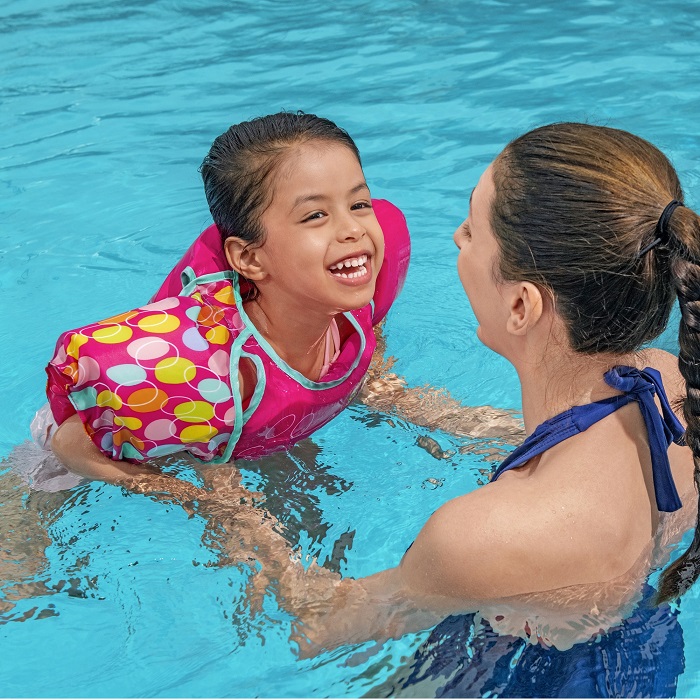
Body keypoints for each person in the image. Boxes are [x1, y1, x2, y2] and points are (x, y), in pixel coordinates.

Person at [216, 123, 699, 685]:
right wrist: (397, 398)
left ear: (521, 305)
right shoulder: (671, 386)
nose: (455, 238)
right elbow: (568, 448)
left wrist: (219, 493)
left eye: (473, 230)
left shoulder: (476, 537)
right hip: (647, 654)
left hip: (526, 676)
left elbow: (312, 627)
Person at [39, 112, 521, 495]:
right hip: (118, 433)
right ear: (248, 258)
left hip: (253, 415)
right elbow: (68, 443)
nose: (353, 229)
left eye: (358, 203)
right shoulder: (212, 368)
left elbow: (366, 360)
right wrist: (181, 493)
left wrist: (499, 432)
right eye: (315, 215)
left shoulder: (353, 273)